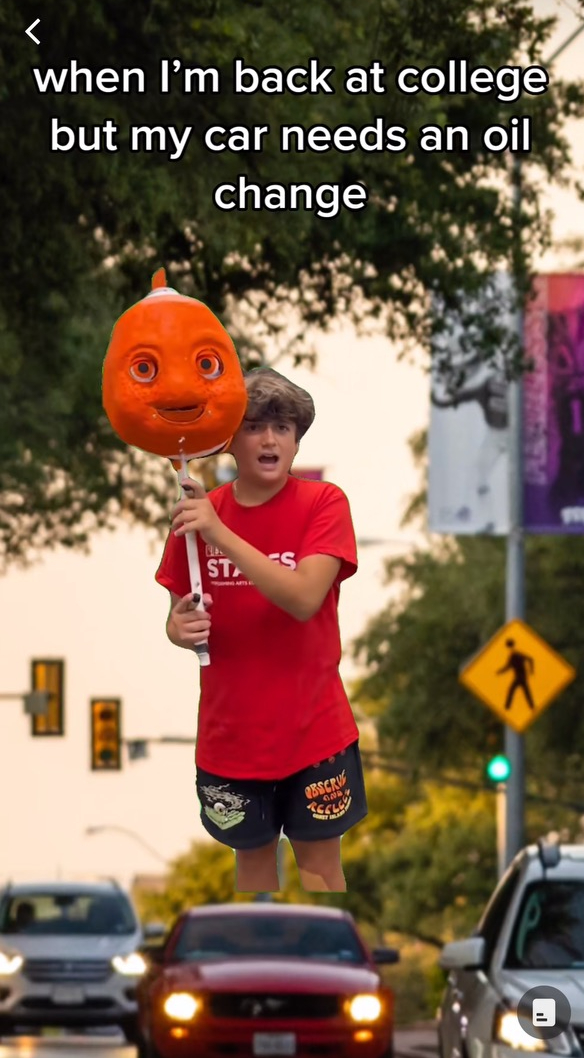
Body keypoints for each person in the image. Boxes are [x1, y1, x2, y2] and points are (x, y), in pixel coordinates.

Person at [155, 367, 367, 893]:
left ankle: (321, 949)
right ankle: (257, 952)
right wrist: (179, 628)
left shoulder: (324, 504)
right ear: (229, 440)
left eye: (282, 428)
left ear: (296, 441)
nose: (269, 439)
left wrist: (220, 534)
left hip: (315, 734)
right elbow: (178, 616)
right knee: (253, 876)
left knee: (320, 873)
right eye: (253, 427)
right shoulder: (198, 517)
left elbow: (303, 598)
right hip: (231, 739)